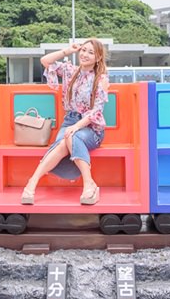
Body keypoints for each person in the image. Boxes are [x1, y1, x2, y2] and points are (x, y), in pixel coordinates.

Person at [21, 38, 109, 206]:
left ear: (98, 58)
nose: (85, 54)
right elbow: (45, 61)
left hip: (91, 129)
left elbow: (96, 112)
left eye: (91, 52)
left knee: (70, 137)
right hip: (70, 120)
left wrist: (75, 127)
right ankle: (34, 182)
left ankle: (33, 183)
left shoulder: (101, 79)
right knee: (65, 141)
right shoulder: (70, 71)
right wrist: (67, 51)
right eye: (83, 50)